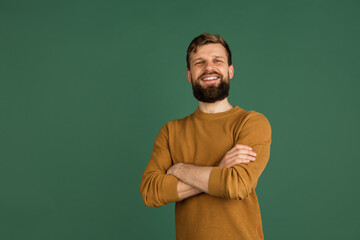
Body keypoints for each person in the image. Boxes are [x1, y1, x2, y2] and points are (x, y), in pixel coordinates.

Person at [139, 33, 272, 240]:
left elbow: (237, 185)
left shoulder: (251, 122)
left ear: (230, 71)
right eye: (199, 62)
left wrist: (180, 169)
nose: (209, 68)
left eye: (217, 60)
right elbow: (150, 191)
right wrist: (220, 170)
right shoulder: (171, 131)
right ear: (189, 75)